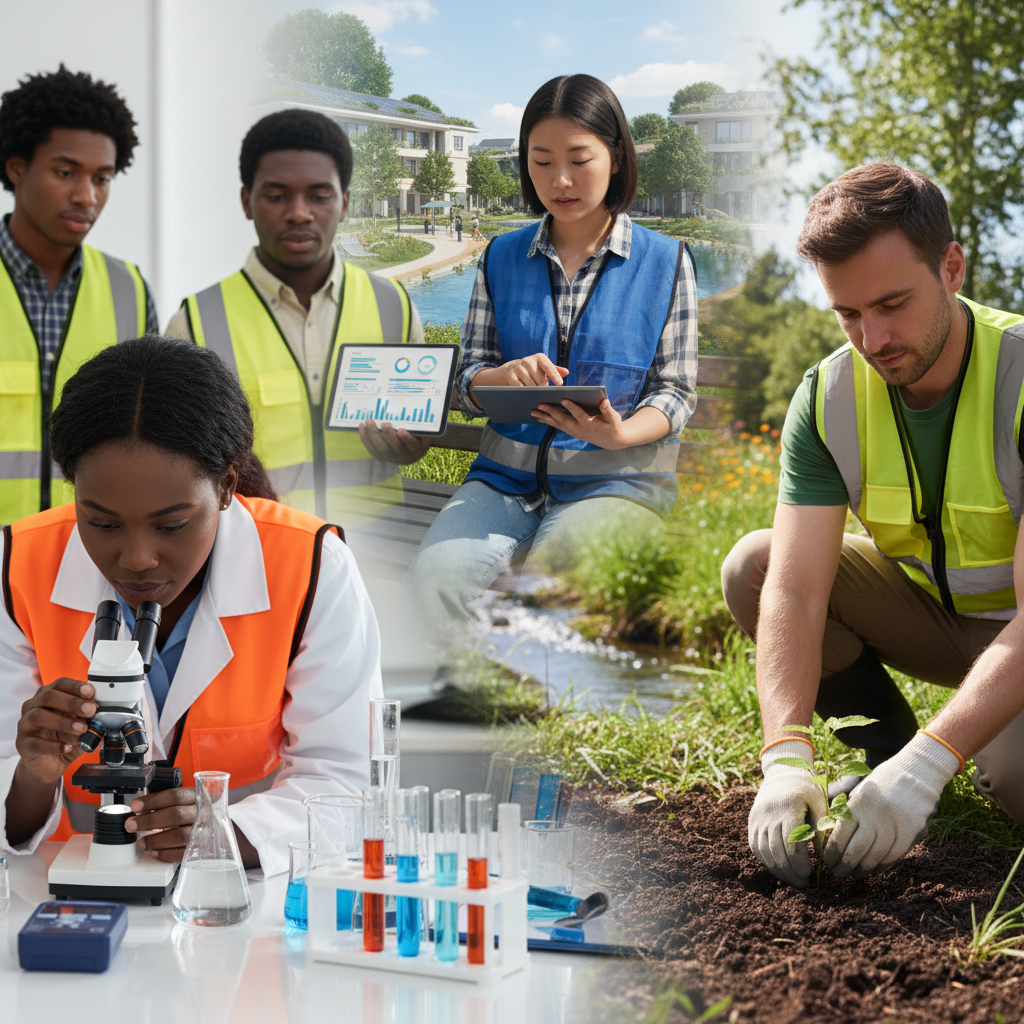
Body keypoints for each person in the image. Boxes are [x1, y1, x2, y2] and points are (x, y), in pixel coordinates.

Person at [724, 163, 1024, 889]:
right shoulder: (827, 397)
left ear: (951, 266)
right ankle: (885, 752)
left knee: (1019, 786)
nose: (874, 337)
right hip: (937, 619)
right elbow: (795, 593)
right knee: (754, 567)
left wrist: (933, 764)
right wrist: (785, 755)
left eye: (893, 303)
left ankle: (927, 764)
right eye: (848, 314)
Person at [0, 338, 380, 878]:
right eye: (102, 523)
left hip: (237, 907)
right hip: (59, 895)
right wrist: (33, 776)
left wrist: (224, 833)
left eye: (172, 525)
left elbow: (345, 780)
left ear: (226, 486)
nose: (136, 559)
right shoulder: (16, 564)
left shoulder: (312, 566)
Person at [405, 74, 697, 622]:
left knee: (549, 602)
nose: (559, 179)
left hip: (618, 483)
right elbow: (468, 373)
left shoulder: (666, 261)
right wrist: (498, 378)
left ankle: (527, 702)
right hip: (502, 482)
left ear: (615, 156)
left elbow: (675, 391)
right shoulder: (500, 256)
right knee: (431, 589)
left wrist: (622, 433)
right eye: (541, 161)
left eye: (579, 159)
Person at [165, 110, 429, 530]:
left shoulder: (392, 303)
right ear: (246, 201)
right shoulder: (195, 323)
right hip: (261, 550)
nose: (299, 213)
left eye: (319, 195)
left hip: (378, 543)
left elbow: (415, 435)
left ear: (343, 203)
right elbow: (179, 469)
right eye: (276, 195)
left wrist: (409, 447)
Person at [0, 66, 158, 525]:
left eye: (102, 178)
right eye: (66, 172)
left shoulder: (127, 288)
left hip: (84, 560)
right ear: (16, 168)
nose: (87, 196)